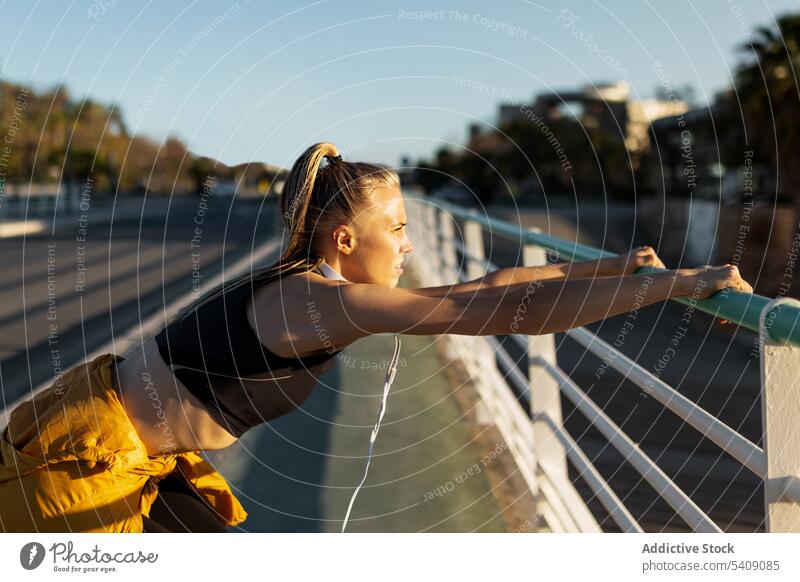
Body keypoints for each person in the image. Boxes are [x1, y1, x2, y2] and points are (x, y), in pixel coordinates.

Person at [0, 142, 754, 533]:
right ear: (341, 238)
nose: (409, 244)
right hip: (83, 458)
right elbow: (489, 315)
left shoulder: (321, 285)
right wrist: (675, 288)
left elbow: (484, 288)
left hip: (125, 449)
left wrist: (621, 266)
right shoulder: (327, 304)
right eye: (395, 230)